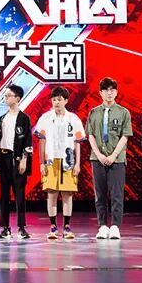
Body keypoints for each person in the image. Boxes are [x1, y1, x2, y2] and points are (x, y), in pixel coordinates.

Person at [35, 86, 85, 240]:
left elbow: (77, 142)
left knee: (67, 194)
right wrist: (42, 163)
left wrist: (77, 163)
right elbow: (41, 142)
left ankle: (67, 227)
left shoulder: (73, 119)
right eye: (54, 99)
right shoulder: (45, 118)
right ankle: (53, 227)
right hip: (51, 160)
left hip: (68, 161)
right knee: (51, 193)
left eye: (59, 99)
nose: (56, 102)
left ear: (66, 101)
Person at [86, 77, 133, 240]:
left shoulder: (123, 112)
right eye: (106, 90)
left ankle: (115, 226)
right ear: (100, 93)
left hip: (117, 160)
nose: (109, 93)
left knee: (117, 194)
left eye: (112, 90)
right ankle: (102, 226)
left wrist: (113, 155)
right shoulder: (93, 112)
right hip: (97, 159)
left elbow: (125, 136)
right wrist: (99, 155)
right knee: (100, 194)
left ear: (116, 92)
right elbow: (90, 135)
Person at [0, 84, 33, 240]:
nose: (5, 98)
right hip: (3, 159)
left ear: (17, 98)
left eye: (8, 95)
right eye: (5, 96)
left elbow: (27, 141)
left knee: (19, 194)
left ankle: (21, 227)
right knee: (3, 194)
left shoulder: (24, 118)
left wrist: (24, 159)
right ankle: (5, 227)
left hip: (16, 159)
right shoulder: (2, 118)